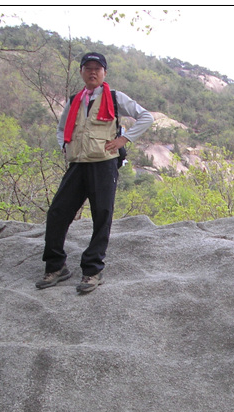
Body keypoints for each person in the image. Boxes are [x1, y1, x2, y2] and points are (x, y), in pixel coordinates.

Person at [36, 52, 153, 294]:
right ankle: (56, 266)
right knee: (57, 212)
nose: (92, 72)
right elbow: (61, 129)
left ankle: (92, 270)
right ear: (81, 72)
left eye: (97, 69)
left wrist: (123, 139)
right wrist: (64, 146)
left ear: (104, 73)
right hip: (78, 163)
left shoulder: (113, 96)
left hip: (104, 163)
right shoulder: (74, 100)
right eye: (87, 68)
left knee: (102, 215)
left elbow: (146, 117)